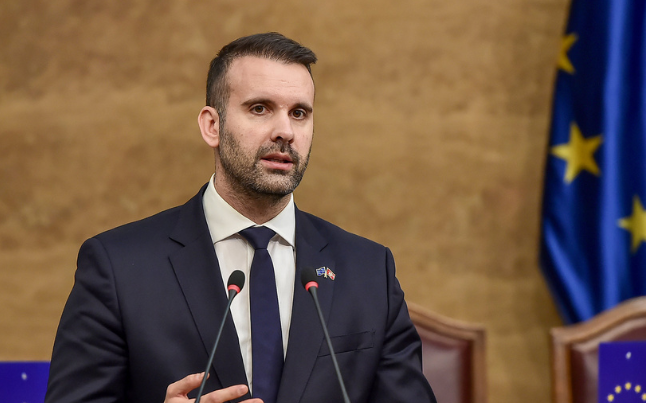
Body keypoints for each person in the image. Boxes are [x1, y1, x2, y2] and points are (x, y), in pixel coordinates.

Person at [45, 32, 436, 403]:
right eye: (259, 108)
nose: (285, 131)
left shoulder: (369, 271)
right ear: (212, 125)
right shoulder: (118, 268)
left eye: (299, 113)